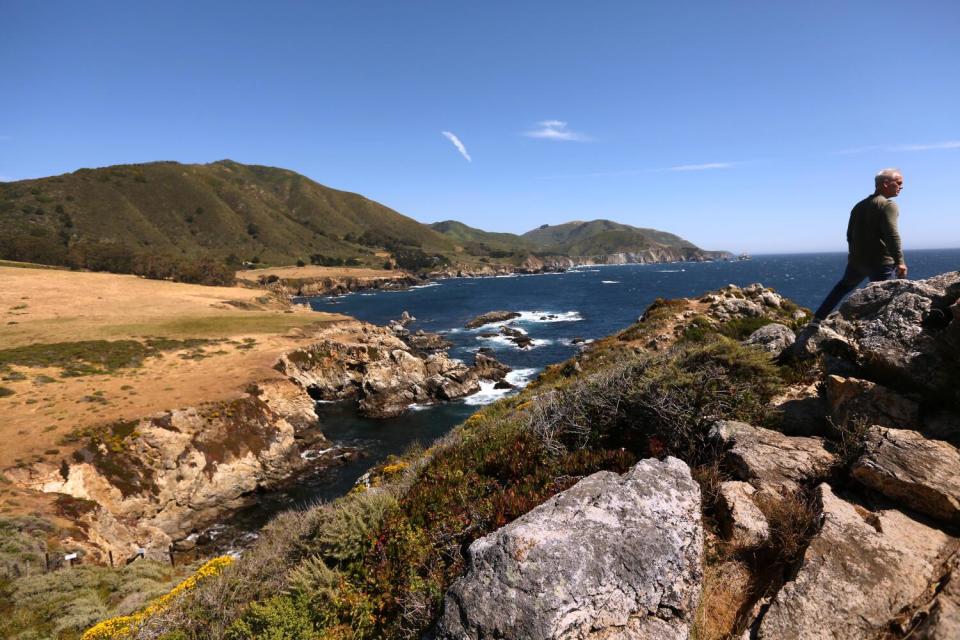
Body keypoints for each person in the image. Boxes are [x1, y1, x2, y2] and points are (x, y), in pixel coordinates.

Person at [809, 168, 907, 325]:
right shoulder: (888, 205)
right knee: (884, 299)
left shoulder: (859, 206)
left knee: (842, 287)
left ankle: (817, 319)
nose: (901, 187)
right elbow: (892, 234)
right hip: (881, 262)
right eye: (899, 183)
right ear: (886, 183)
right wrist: (900, 261)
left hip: (857, 261)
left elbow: (849, 234)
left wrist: (853, 254)